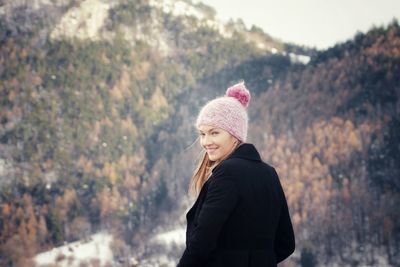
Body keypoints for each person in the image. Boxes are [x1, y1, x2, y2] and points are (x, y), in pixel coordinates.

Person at [177, 82, 295, 267]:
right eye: (202, 134)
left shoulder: (227, 173)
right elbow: (286, 243)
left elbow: (201, 242)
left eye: (214, 133)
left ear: (235, 135)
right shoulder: (269, 174)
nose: (206, 142)